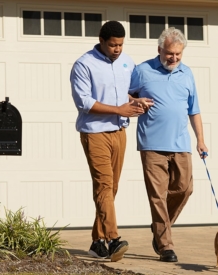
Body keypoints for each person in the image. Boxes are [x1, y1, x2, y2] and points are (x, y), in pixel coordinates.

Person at [70, 21, 153, 262]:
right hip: (94, 132)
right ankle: (113, 239)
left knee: (111, 188)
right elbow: (84, 102)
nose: (117, 49)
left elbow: (127, 93)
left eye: (120, 44)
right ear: (102, 40)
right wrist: (119, 109)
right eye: (112, 45)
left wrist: (136, 102)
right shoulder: (84, 64)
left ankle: (97, 242)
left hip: (119, 132)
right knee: (104, 185)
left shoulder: (127, 61)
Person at [129, 27, 208, 263]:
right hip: (151, 144)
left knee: (185, 189)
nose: (173, 59)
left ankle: (160, 228)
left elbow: (194, 110)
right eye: (169, 54)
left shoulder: (187, 73)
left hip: (181, 143)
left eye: (178, 55)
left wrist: (200, 140)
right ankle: (165, 246)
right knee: (158, 196)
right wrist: (136, 100)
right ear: (159, 50)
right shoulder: (142, 71)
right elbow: (123, 96)